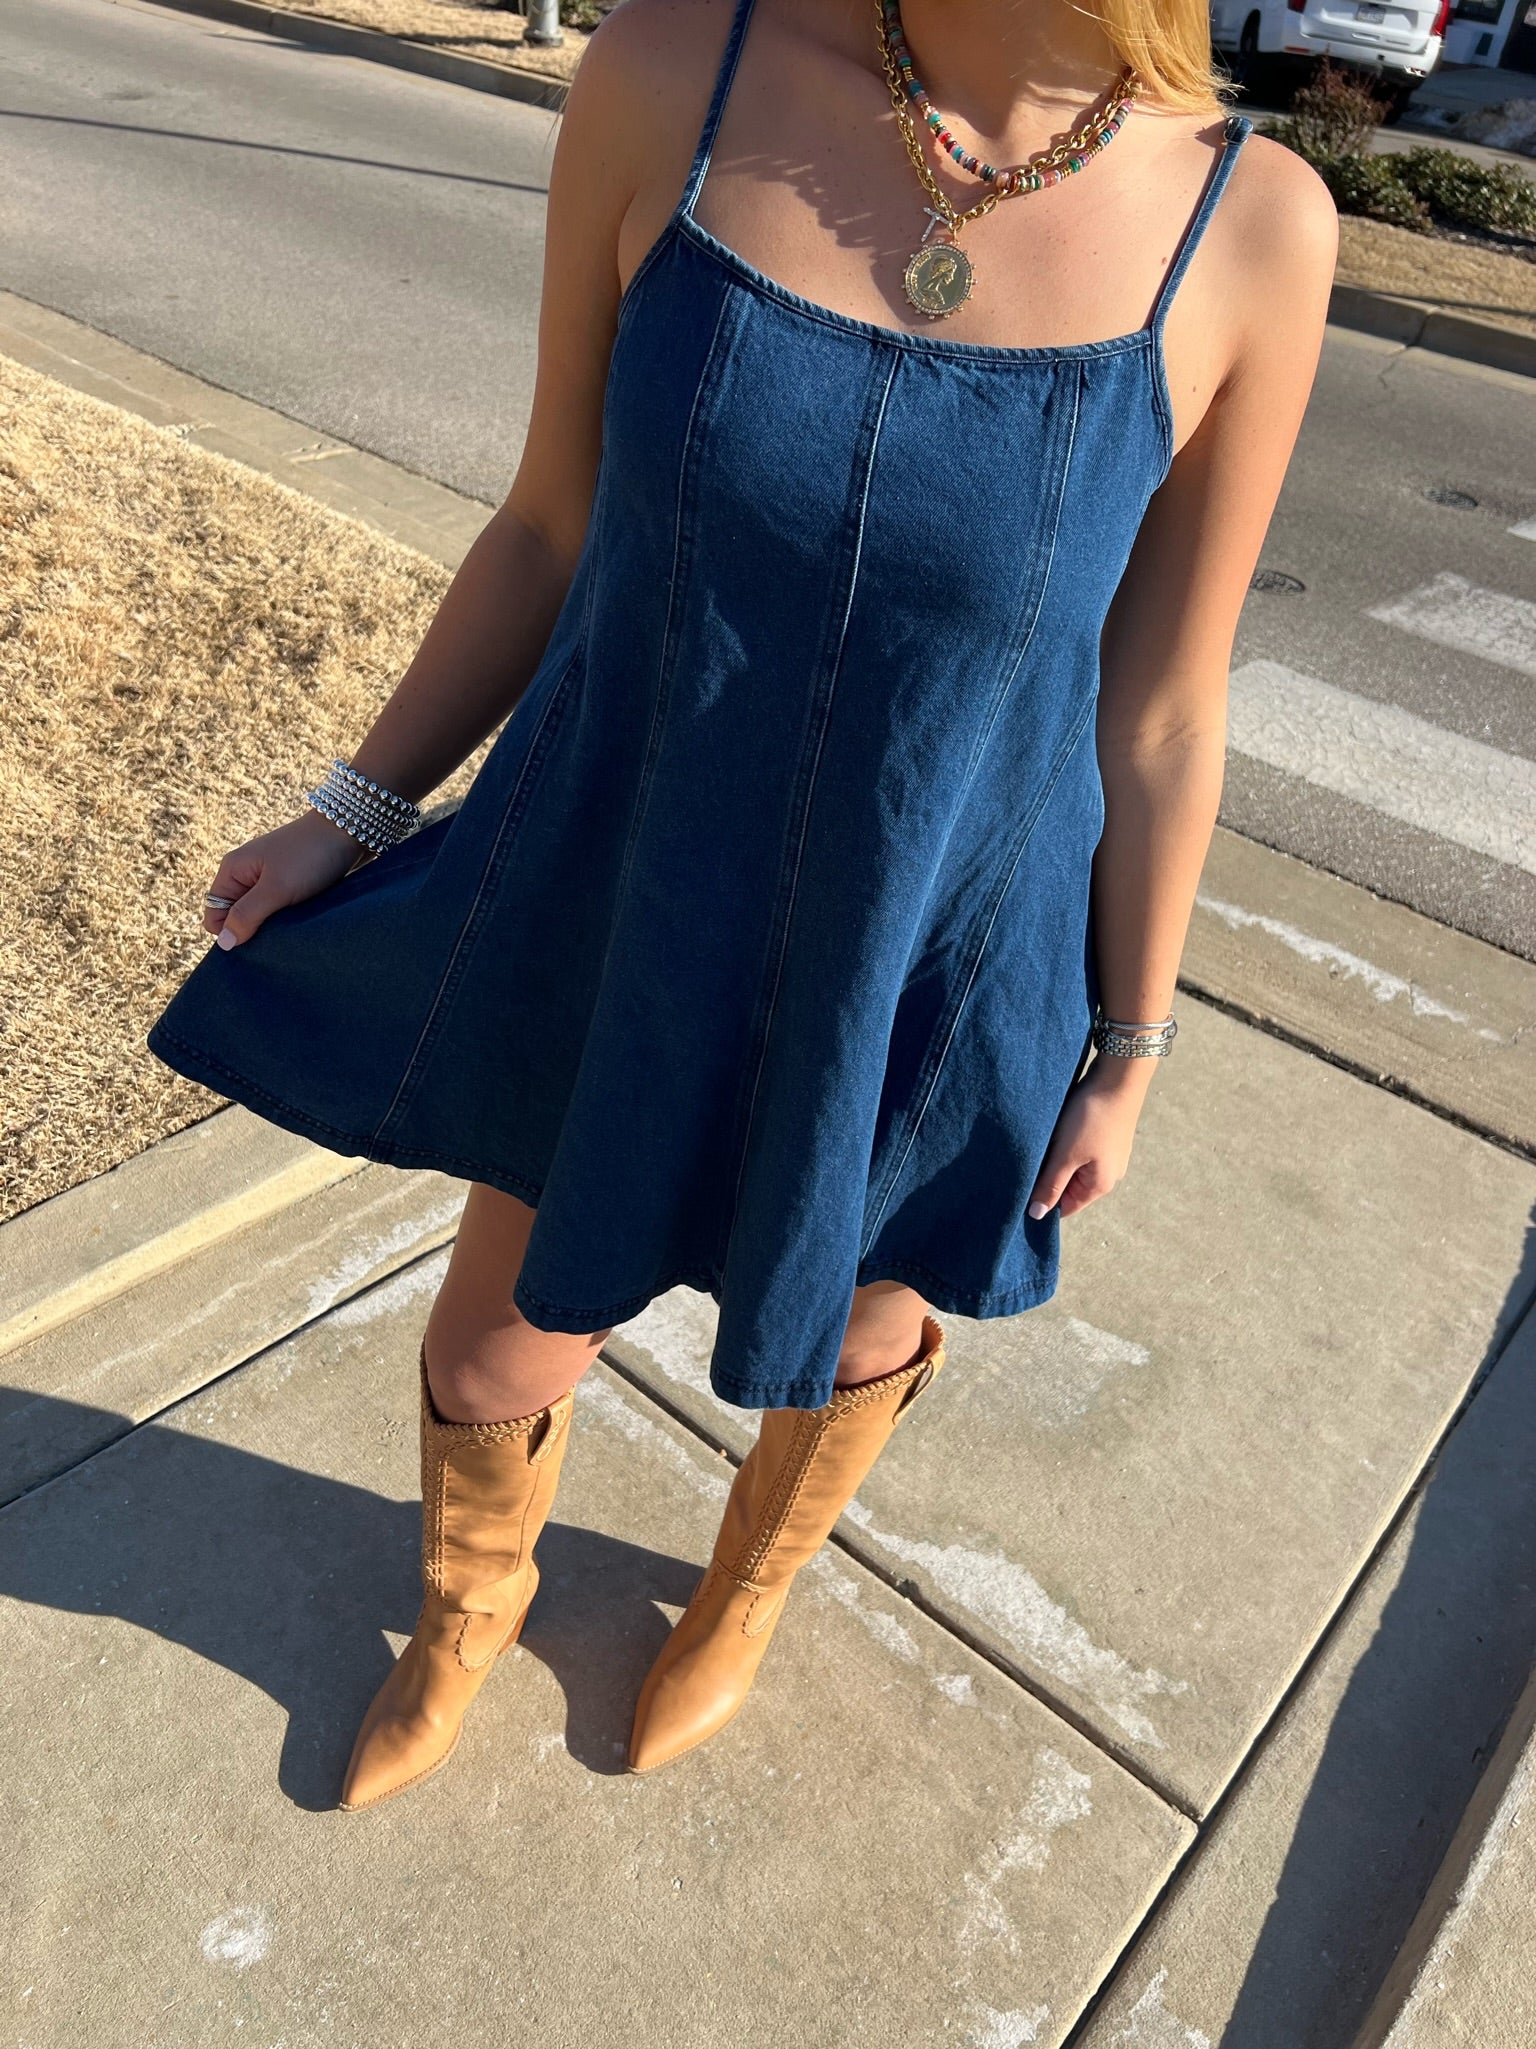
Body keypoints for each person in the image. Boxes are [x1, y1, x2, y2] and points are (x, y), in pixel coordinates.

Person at [147, 0, 1336, 1811]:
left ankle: (750, 1590)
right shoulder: (671, 73)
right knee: (496, 1342)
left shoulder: (1250, 224)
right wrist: (355, 807)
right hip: (629, 892)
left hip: (941, 942)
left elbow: (1165, 703)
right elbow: (547, 522)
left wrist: (1131, 1038)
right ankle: (468, 1610)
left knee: (857, 1331)